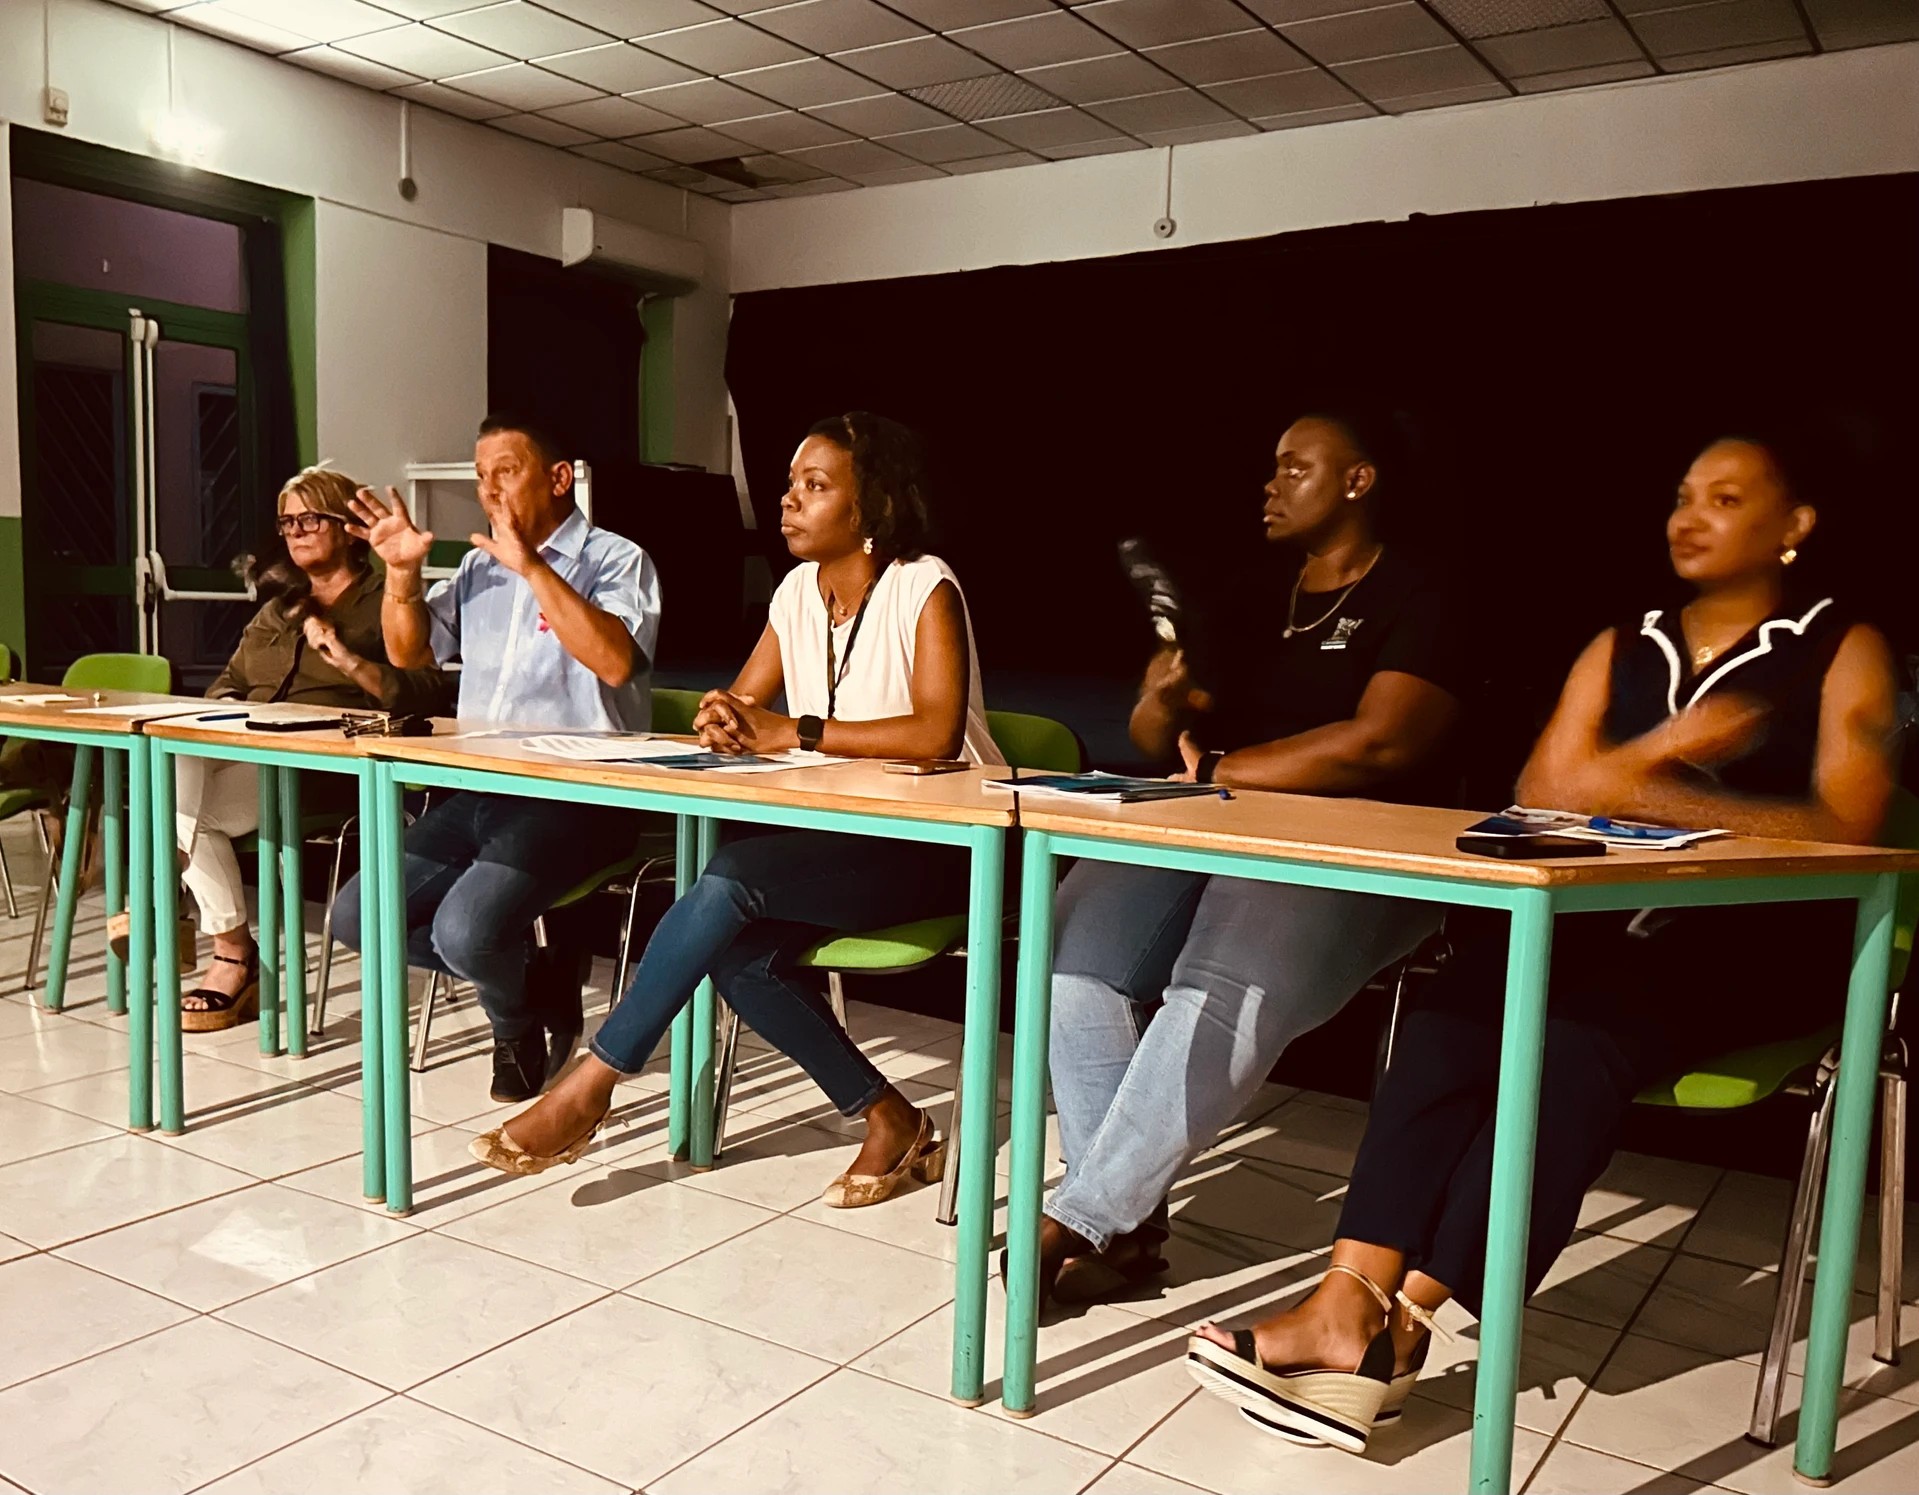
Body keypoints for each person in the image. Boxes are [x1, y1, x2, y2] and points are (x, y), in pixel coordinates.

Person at [1187, 434, 1900, 1453]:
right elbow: (1541, 789)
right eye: (1681, 494)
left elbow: (1850, 826)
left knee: (1572, 1036)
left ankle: (1402, 1320)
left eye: (1725, 498)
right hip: (1607, 928)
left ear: (1792, 526)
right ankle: (1346, 1298)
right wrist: (1661, 756)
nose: (1688, 517)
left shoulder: (1840, 647)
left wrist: (1620, 780)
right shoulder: (1624, 641)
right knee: (1457, 1002)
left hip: (1763, 945)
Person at [468, 411, 1004, 1208]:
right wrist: (722, 717)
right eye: (789, 484)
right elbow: (745, 699)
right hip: (848, 842)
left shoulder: (922, 584)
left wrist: (795, 730)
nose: (788, 500)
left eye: (814, 486)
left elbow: (934, 729)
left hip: (945, 846)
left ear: (872, 504)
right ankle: (892, 1119)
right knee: (738, 955)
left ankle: (594, 1080)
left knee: (732, 877)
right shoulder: (795, 593)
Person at [1030, 411, 1472, 1311]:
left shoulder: (1424, 592)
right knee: (1072, 951)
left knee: (1222, 973)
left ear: (1358, 480)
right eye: (1271, 468)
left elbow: (1382, 743)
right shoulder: (1250, 593)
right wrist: (1160, 700)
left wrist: (1224, 770)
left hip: (1360, 844)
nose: (1269, 485)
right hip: (1219, 823)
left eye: (1293, 468)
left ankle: (1083, 1216)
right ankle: (1123, 1226)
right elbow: (1157, 736)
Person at [333, 413, 661, 1103]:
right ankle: (533, 983)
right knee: (356, 917)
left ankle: (512, 1024)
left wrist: (534, 568)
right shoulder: (479, 566)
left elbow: (614, 661)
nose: (488, 491)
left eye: (505, 472)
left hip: (580, 797)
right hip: (480, 787)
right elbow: (410, 653)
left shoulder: (616, 559)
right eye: (480, 476)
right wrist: (401, 575)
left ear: (558, 478)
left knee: (463, 932)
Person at [102, 465, 446, 1031]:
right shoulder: (279, 607)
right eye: (287, 523)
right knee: (176, 760)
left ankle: (177, 911)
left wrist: (349, 662)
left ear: (349, 528)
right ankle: (223, 945)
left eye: (310, 519)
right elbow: (228, 684)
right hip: (256, 758)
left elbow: (430, 694)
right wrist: (223, 715)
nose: (296, 532)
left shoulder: (389, 598)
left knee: (176, 805)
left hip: (329, 772)